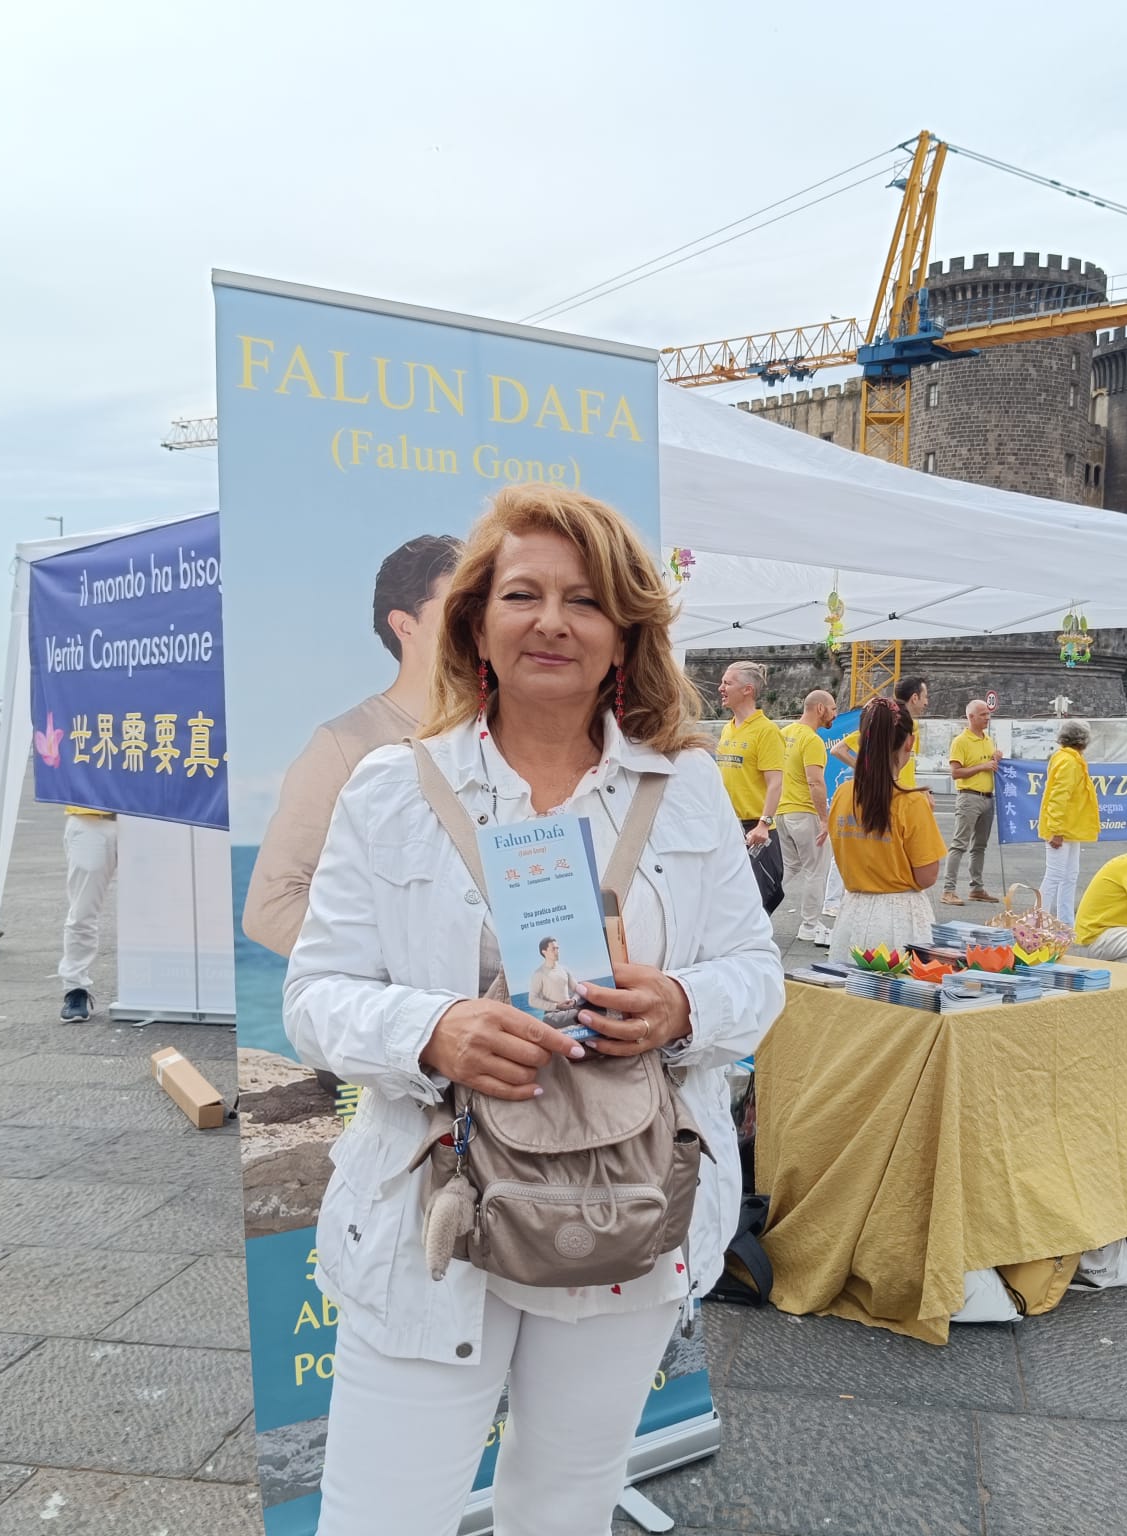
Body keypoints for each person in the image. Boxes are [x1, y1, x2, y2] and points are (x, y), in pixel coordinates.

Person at [282, 484, 783, 1533]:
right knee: (381, 1518)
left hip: (624, 1208)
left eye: (584, 600)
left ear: (623, 637)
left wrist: (681, 1004)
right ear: (474, 625)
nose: (551, 621)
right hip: (435, 1213)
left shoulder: (686, 787)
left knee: (564, 1505)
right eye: (522, 594)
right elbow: (314, 997)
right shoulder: (388, 787)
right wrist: (431, 1032)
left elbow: (757, 973)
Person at [245, 533, 462, 958]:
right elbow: (271, 908)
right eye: (460, 606)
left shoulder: (510, 728)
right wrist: (396, 975)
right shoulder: (344, 745)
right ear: (405, 625)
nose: (481, 621)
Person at [825, 696, 946, 958]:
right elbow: (927, 876)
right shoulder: (912, 802)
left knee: (850, 982)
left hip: (852, 914)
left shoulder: (843, 794)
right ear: (909, 742)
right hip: (900, 917)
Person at [715, 661, 787, 915]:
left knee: (756, 906)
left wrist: (764, 824)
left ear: (747, 690)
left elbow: (775, 782)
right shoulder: (728, 728)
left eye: (727, 683)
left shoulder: (766, 731)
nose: (721, 688)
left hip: (755, 830)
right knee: (727, 905)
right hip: (728, 828)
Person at [776, 690, 837, 946]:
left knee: (788, 867)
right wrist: (824, 819)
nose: (835, 714)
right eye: (833, 708)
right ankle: (810, 926)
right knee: (816, 870)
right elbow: (815, 782)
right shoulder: (812, 740)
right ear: (820, 708)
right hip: (804, 811)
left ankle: (754, 909)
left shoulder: (784, 734)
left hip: (782, 811)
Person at [58, 804, 116, 1022]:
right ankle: (75, 989)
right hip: (91, 818)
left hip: (150, 818)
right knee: (83, 911)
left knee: (157, 910)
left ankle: (162, 985)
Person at [1038, 719, 1099, 925]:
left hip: (1070, 827)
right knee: (1055, 875)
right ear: (1084, 740)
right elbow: (1059, 797)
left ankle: (1065, 922)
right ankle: (1038, 923)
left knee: (1069, 876)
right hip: (1062, 828)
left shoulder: (1068, 758)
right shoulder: (1070, 762)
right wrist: (1056, 830)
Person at [942, 698, 1001, 907]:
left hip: (987, 797)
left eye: (988, 714)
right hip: (969, 797)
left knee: (980, 846)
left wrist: (996, 759)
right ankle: (948, 890)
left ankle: (976, 888)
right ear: (971, 717)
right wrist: (983, 766)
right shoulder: (961, 741)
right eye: (983, 714)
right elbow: (956, 773)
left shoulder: (988, 739)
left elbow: (989, 766)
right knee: (959, 844)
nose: (987, 717)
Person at [526, 936, 581, 1027]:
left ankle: (575, 1015)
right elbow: (532, 1000)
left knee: (587, 1009)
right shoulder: (539, 973)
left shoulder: (564, 970)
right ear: (544, 952)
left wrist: (574, 1000)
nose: (557, 951)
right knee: (548, 1019)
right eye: (553, 949)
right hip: (553, 1014)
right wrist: (556, 1006)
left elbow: (578, 990)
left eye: (557, 948)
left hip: (570, 1010)